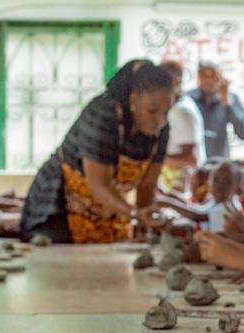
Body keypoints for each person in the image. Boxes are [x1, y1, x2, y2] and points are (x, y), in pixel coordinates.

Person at [19, 60, 173, 244]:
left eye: (167, 111)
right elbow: (100, 186)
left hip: (109, 210)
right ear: (133, 100)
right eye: (153, 111)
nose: (160, 120)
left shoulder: (161, 129)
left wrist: (146, 223)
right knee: (65, 264)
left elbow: (147, 186)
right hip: (58, 208)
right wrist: (134, 214)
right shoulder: (104, 114)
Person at [159, 61, 207, 192]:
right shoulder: (175, 107)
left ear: (176, 81)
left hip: (180, 189)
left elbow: (191, 160)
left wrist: (153, 159)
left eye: (160, 80)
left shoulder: (181, 111)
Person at [189, 61, 244, 162]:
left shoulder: (231, 98)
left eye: (213, 75)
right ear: (198, 76)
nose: (208, 80)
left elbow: (243, 133)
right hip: (193, 165)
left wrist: (227, 104)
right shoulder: (189, 99)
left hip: (219, 167)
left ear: (220, 76)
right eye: (204, 75)